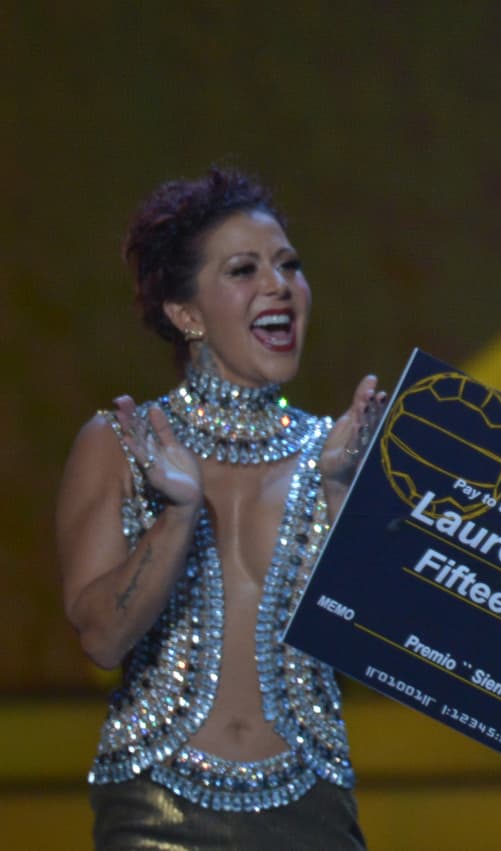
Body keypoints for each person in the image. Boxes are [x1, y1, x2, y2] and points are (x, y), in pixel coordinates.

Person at [55, 167, 383, 849]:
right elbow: (101, 639)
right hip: (155, 807)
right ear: (186, 313)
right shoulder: (121, 443)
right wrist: (176, 515)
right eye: (244, 269)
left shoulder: (335, 450)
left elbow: (375, 649)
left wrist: (340, 488)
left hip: (311, 805)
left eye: (289, 265)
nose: (279, 285)